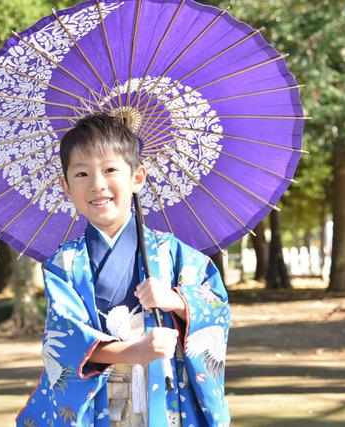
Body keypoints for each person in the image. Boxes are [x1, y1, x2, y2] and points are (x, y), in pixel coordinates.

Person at [16, 114, 231, 426]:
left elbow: (217, 308)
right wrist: (133, 350)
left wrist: (176, 301)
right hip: (99, 400)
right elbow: (63, 339)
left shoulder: (171, 252)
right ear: (65, 186)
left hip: (164, 395)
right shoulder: (64, 264)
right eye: (81, 174)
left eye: (110, 170)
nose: (97, 185)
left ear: (137, 177)